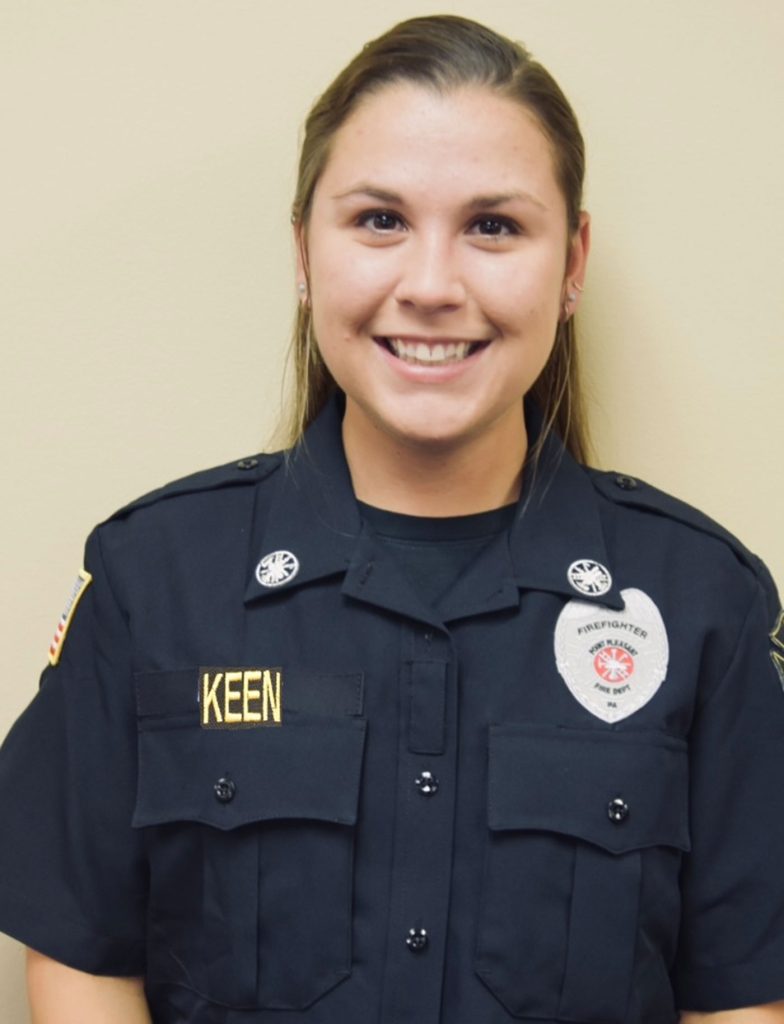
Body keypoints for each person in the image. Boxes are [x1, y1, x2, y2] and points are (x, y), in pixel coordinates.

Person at [1, 13, 783, 1024]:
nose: (429, 285)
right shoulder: (155, 579)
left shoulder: (704, 602)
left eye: (493, 226)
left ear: (573, 261)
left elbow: (741, 996)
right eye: (379, 220)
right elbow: (81, 959)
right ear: (302, 250)